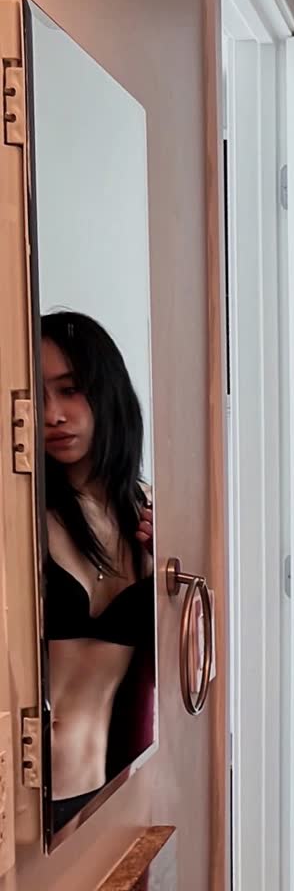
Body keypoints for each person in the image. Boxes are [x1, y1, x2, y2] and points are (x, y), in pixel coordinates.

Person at [40, 312, 155, 833]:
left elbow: (194, 666)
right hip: (25, 801)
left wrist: (166, 574)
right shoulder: (19, 521)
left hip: (103, 790)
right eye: (38, 396)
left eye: (70, 390)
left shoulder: (150, 513)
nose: (52, 415)